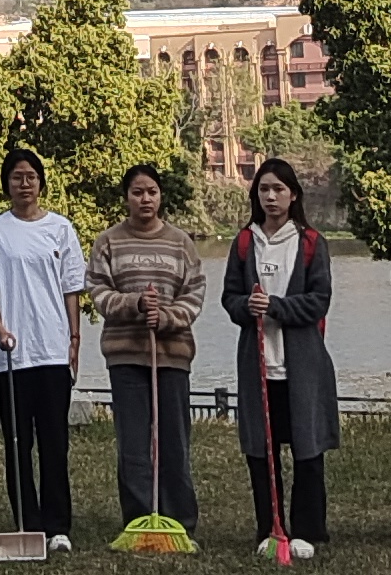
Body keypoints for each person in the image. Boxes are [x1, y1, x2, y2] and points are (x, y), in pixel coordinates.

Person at [0, 147, 87, 550]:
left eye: (31, 177)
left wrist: (74, 338)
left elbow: (72, 289)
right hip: (13, 354)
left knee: (55, 440)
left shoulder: (60, 229)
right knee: (18, 442)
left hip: (52, 349)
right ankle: (26, 521)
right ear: (7, 184)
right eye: (16, 177)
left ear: (41, 182)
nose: (24, 184)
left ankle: (58, 526)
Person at [220, 159, 333, 563]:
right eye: (264, 190)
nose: (271, 197)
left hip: (301, 364)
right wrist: (245, 307)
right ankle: (271, 526)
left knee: (307, 448)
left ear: (293, 195)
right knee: (261, 451)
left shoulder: (311, 242)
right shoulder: (244, 242)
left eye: (279, 190)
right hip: (259, 363)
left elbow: (319, 300)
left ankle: (306, 529)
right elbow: (230, 297)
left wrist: (277, 306)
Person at [87, 162, 203, 538]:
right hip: (126, 355)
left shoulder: (180, 243)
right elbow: (98, 291)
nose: (145, 199)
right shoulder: (108, 241)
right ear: (127, 198)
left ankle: (179, 520)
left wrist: (166, 317)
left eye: (152, 191)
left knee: (174, 442)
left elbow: (194, 294)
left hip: (172, 354)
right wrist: (134, 304)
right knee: (134, 444)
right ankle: (139, 519)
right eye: (137, 192)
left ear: (160, 196)